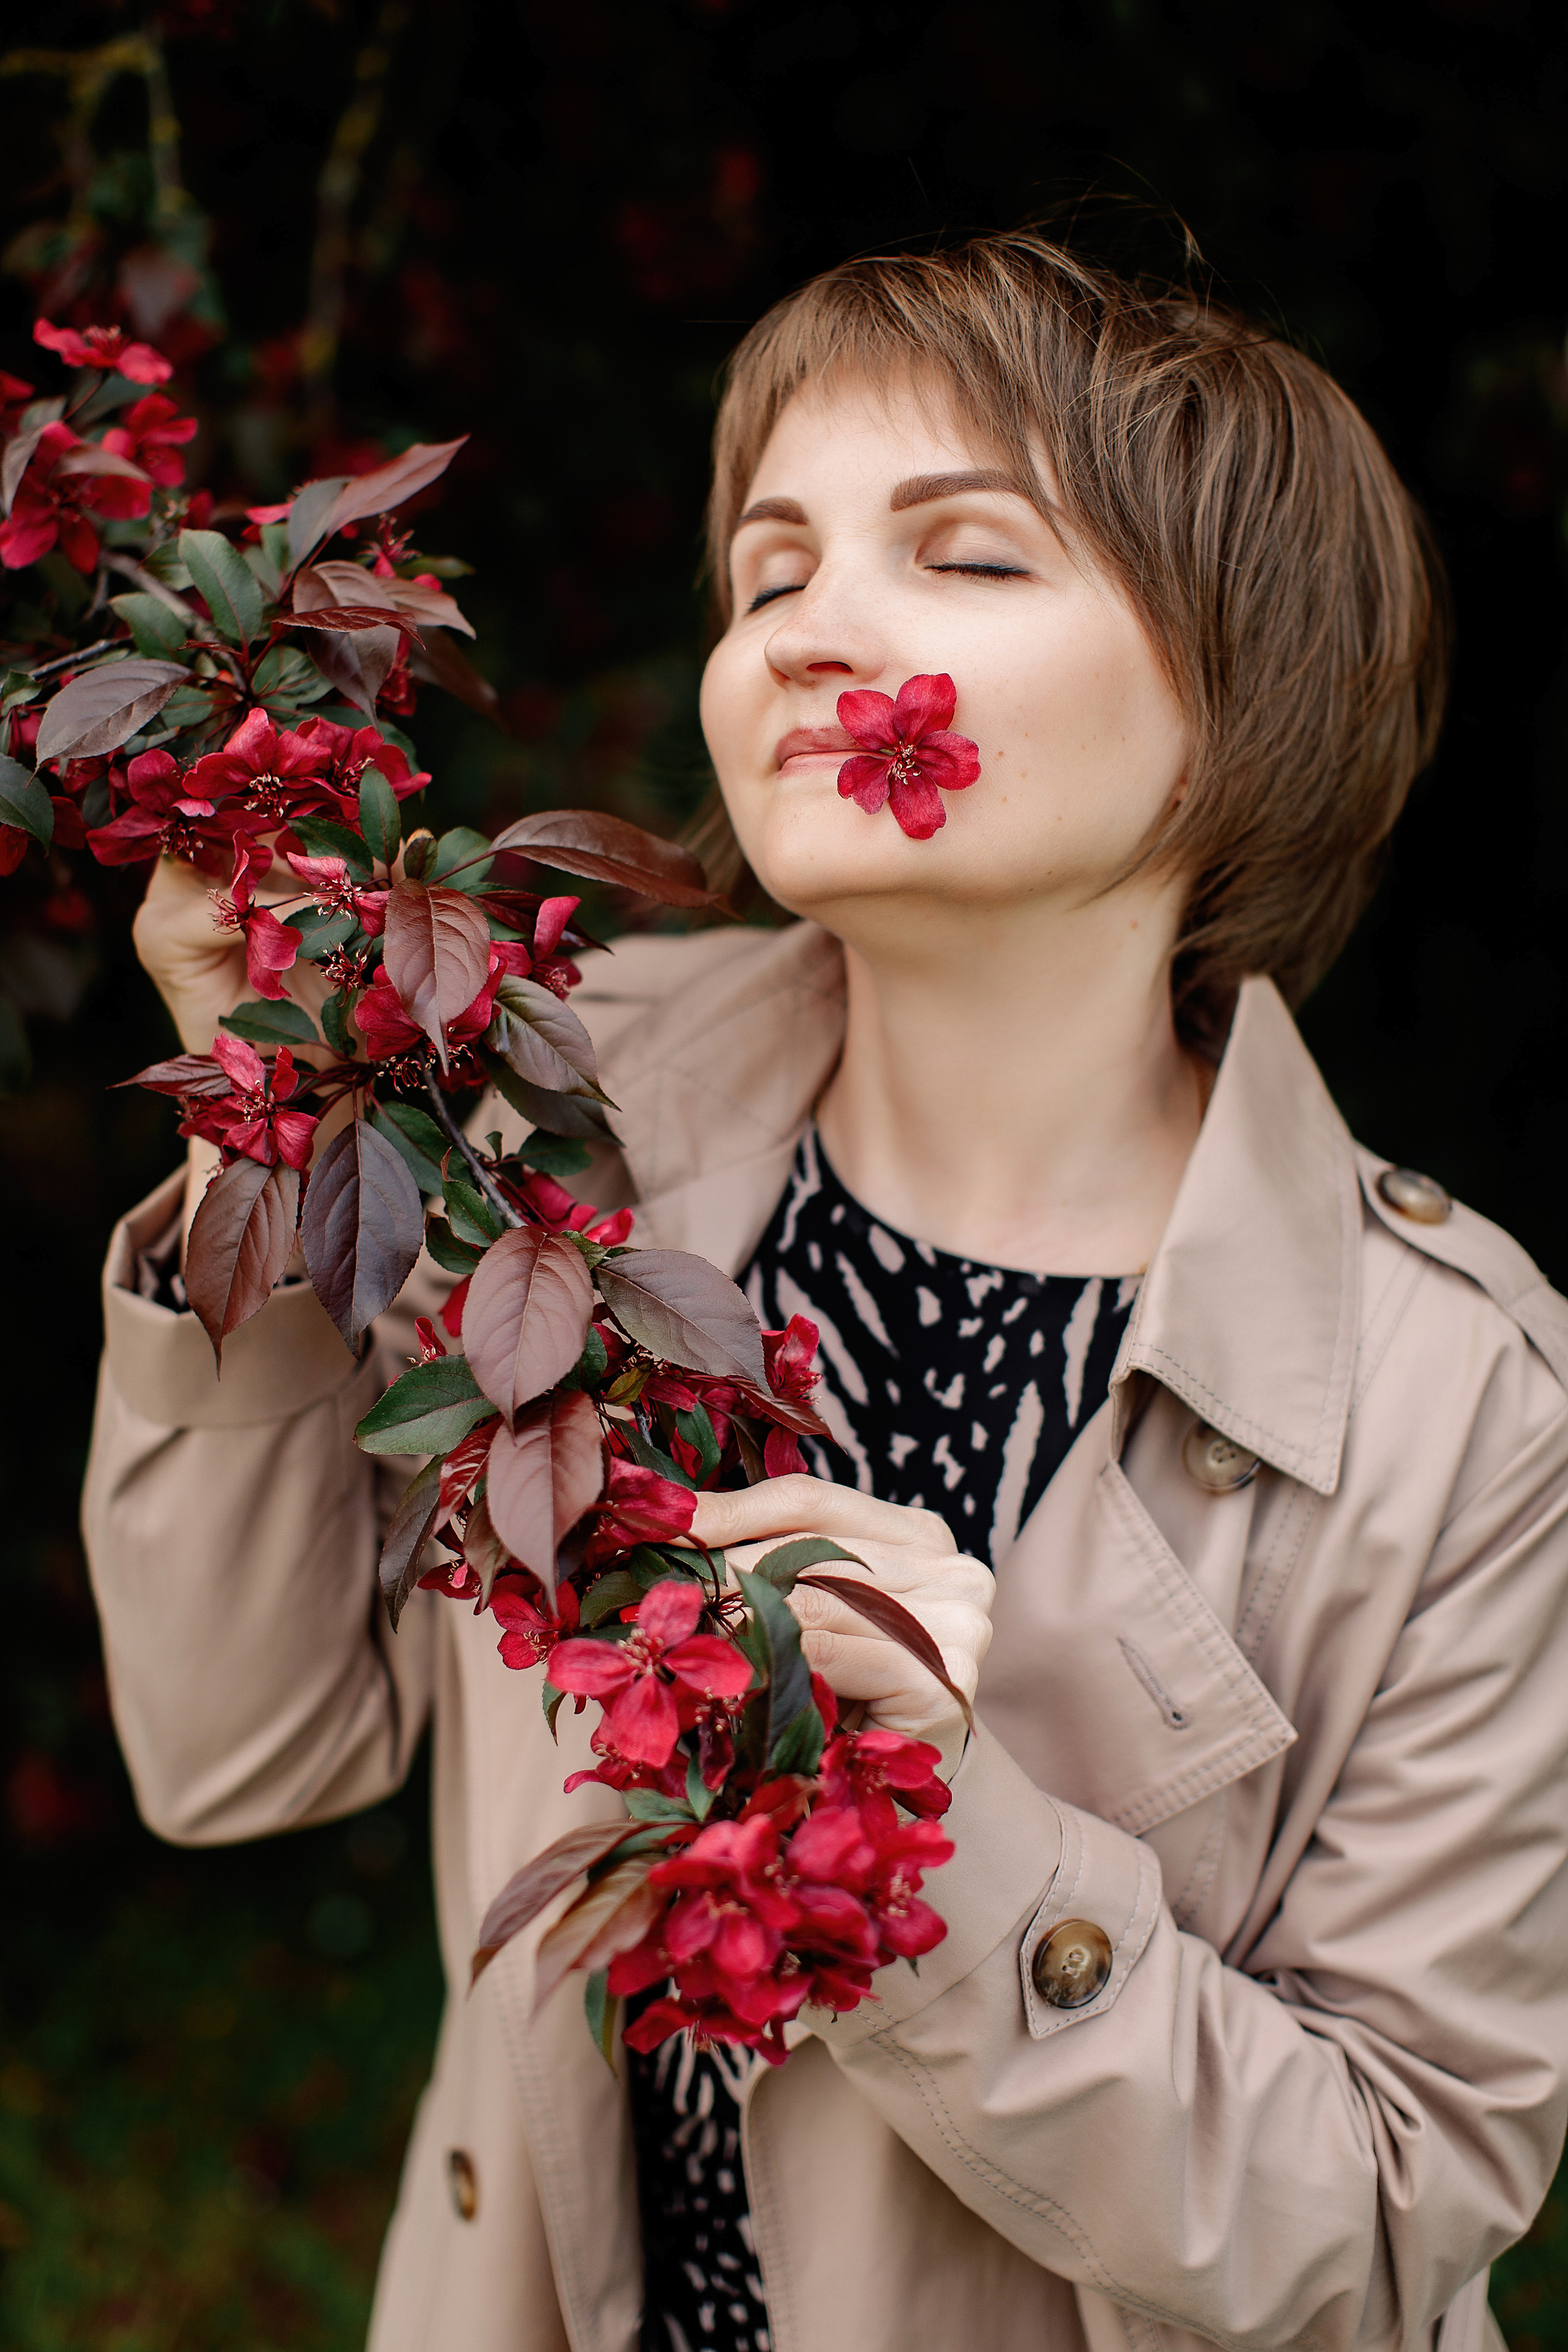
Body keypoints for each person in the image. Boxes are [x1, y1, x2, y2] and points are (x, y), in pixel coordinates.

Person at [82, 231, 1568, 2352]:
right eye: (769, 574)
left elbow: (1392, 2219)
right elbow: (243, 1756)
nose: (809, 634)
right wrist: (276, 1143)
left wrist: (939, 1851)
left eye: (963, 560)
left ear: (1241, 696)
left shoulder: (1466, 1401)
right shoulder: (539, 1109)